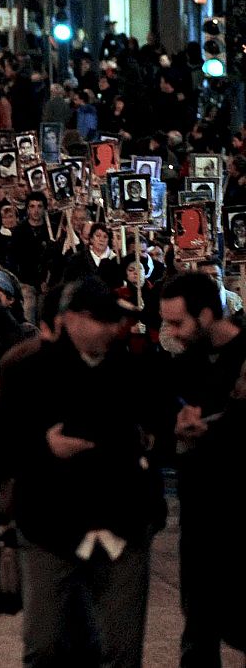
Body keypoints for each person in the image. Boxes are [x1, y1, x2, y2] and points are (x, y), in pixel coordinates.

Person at [0, 278, 173, 668]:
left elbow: (160, 430)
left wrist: (156, 438)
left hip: (123, 523)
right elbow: (0, 444)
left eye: (114, 321)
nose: (111, 329)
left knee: (122, 651)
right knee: (44, 646)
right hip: (50, 525)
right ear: (70, 319)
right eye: (100, 320)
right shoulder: (28, 369)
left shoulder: (133, 369)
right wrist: (44, 448)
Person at [158, 273, 246, 666]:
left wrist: (216, 427)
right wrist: (174, 430)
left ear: (207, 314)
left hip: (242, 516)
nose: (171, 333)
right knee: (198, 635)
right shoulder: (181, 365)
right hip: (200, 522)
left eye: (178, 323)